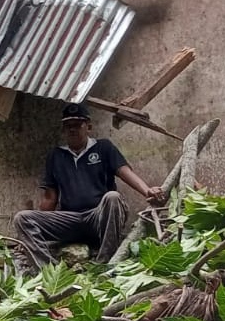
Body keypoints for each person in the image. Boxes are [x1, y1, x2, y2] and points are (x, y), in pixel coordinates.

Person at [13, 103, 165, 268]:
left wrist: (147, 191)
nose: (73, 129)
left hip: (99, 218)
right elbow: (50, 198)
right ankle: (49, 271)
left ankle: (105, 264)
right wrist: (31, 231)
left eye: (78, 125)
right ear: (63, 130)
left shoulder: (103, 147)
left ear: (89, 127)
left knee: (113, 197)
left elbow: (125, 172)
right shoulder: (56, 156)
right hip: (70, 220)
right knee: (22, 218)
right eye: (68, 126)